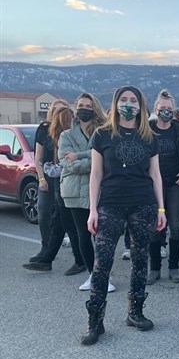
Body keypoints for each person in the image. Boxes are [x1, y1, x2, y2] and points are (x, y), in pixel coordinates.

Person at [81, 85, 166, 345]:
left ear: (140, 106)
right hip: (110, 204)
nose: (128, 104)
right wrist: (93, 209)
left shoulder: (149, 137)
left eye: (133, 100)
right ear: (116, 103)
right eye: (124, 100)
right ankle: (95, 322)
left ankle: (135, 312)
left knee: (140, 261)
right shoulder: (103, 134)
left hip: (143, 204)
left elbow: (155, 175)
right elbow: (95, 175)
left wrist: (161, 208)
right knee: (102, 263)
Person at [23, 99, 84, 273]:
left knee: (65, 221)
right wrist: (42, 177)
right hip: (58, 178)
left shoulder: (71, 134)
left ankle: (77, 259)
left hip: (68, 180)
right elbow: (40, 157)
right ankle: (48, 257)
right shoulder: (47, 131)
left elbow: (73, 158)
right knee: (59, 220)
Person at [58, 93, 110, 291]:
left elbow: (105, 158)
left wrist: (79, 155)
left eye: (88, 105)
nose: (84, 109)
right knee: (83, 234)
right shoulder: (66, 135)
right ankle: (92, 275)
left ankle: (104, 274)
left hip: (100, 190)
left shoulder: (102, 132)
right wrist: (95, 161)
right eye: (80, 105)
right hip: (74, 191)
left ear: (94, 108)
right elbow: (66, 164)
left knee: (102, 236)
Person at [145, 92, 179, 284]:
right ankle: (155, 268)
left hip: (176, 184)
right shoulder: (146, 130)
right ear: (155, 109)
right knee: (154, 227)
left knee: (175, 226)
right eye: (162, 108)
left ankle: (174, 267)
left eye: (169, 109)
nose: (166, 112)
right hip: (153, 184)